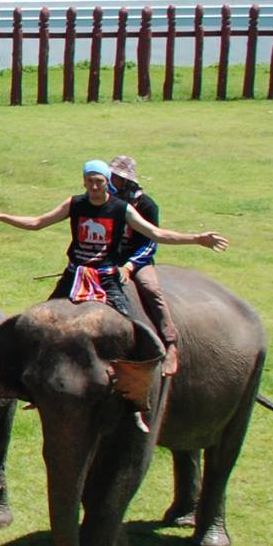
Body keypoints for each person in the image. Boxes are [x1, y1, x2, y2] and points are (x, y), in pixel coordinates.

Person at [0, 160, 228, 428]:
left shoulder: (121, 209)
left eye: (100, 181)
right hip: (75, 275)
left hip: (106, 277)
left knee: (132, 331)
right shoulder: (75, 204)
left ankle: (135, 398)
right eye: (90, 181)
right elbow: (38, 222)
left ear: (108, 183)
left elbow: (154, 233)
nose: (95, 186)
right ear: (84, 182)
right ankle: (36, 389)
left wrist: (197, 238)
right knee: (40, 326)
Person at [107, 155, 183, 379]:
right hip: (112, 258)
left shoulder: (147, 205)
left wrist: (130, 266)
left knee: (151, 289)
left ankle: (170, 342)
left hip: (137, 260)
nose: (112, 180)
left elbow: (150, 243)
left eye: (117, 177)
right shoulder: (110, 200)